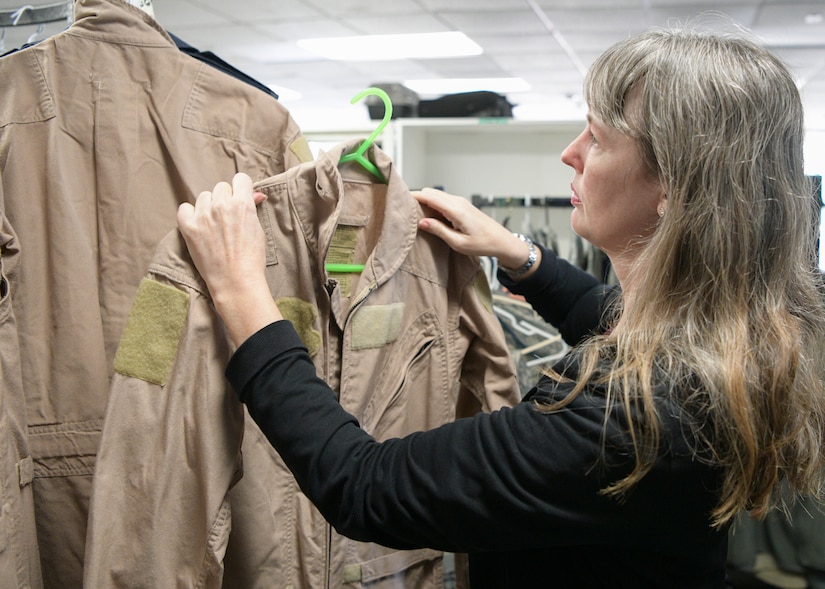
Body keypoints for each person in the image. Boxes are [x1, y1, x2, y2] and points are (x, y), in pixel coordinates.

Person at [176, 26, 825, 588]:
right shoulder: (734, 337)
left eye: (597, 139)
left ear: (670, 188)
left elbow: (363, 487)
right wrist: (518, 254)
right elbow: (603, 312)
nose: (569, 153)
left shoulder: (627, 420)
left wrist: (242, 294)